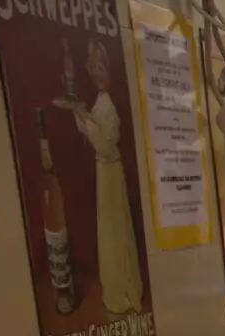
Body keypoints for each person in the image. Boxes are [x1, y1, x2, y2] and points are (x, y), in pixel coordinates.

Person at [54, 40, 143, 315]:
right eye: (92, 66)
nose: (95, 72)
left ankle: (123, 288)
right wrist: (79, 112)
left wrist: (81, 113)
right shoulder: (99, 103)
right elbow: (90, 132)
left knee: (116, 230)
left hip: (110, 171)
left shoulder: (109, 107)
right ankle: (114, 286)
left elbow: (105, 142)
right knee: (109, 231)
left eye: (100, 66)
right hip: (104, 172)